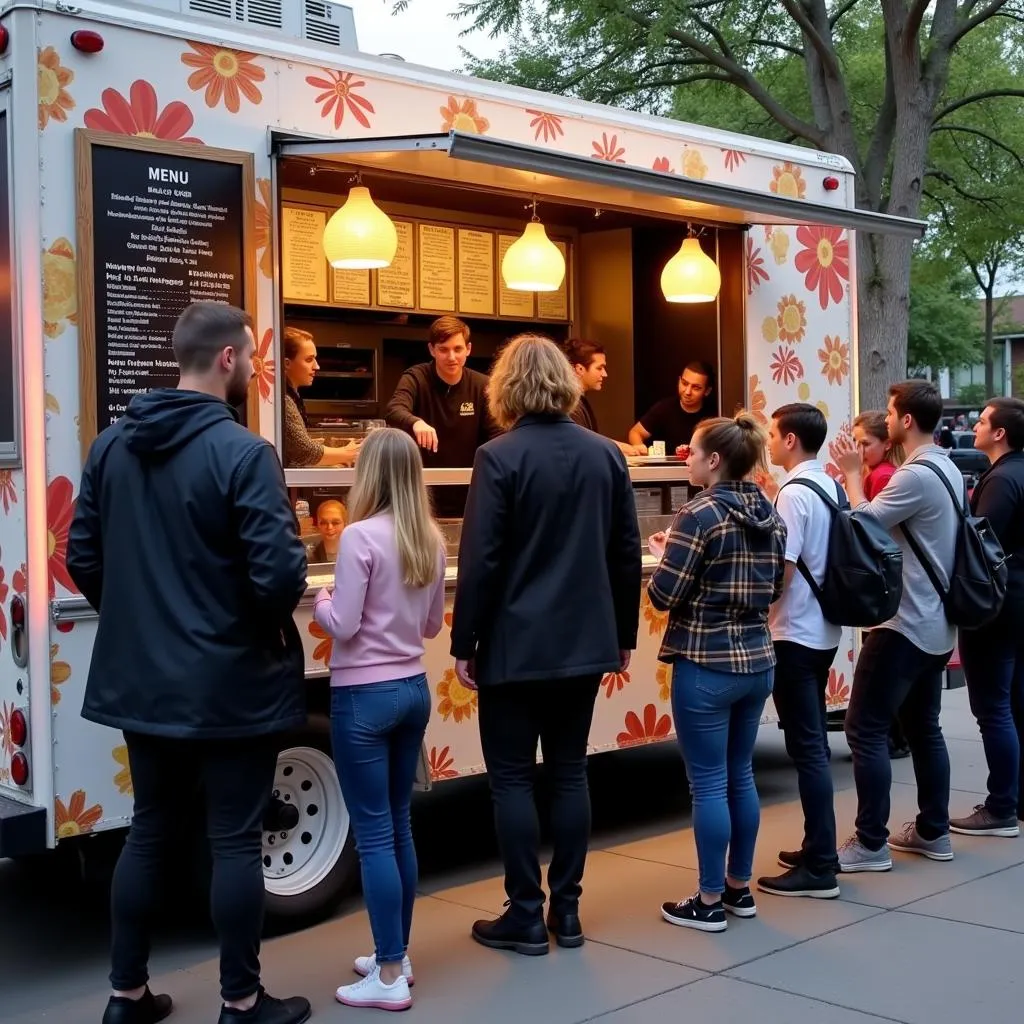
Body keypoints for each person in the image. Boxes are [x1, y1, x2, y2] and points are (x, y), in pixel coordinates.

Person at [67, 303, 311, 1024]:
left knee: (149, 830)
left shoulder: (110, 447)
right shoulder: (244, 453)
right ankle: (241, 1002)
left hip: (142, 681)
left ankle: (127, 996)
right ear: (230, 359)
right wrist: (245, 629)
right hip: (232, 682)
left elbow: (82, 557)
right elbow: (279, 577)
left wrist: (143, 620)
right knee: (234, 839)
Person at [450, 333, 641, 955]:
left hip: (513, 642)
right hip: (586, 642)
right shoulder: (605, 455)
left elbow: (481, 561)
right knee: (569, 773)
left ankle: (524, 914)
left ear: (504, 388)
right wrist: (622, 634)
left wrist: (465, 639)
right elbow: (625, 552)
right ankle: (569, 911)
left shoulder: (497, 457)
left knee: (510, 779)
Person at [313, 428, 446, 1011]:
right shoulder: (431, 540)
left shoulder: (359, 537)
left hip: (362, 697)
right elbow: (432, 627)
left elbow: (341, 623)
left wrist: (315, 602)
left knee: (371, 835)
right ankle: (397, 952)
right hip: (413, 689)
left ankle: (388, 974)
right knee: (397, 825)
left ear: (367, 475)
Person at [648, 412, 786, 931]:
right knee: (740, 775)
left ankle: (707, 901)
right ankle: (738, 889)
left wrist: (664, 557)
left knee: (707, 785)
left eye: (692, 450)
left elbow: (665, 595)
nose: (686, 457)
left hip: (704, 663)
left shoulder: (698, 515)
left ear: (714, 459)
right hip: (757, 660)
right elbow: (774, 588)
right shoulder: (770, 513)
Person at [836, 379, 959, 872]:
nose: (884, 420)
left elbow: (863, 524)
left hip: (903, 621)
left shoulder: (914, 476)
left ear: (907, 420)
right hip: (936, 620)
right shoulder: (947, 466)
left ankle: (870, 843)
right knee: (924, 727)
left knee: (864, 727)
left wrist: (849, 476)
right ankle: (934, 831)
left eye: (889, 413)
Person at [757, 404, 842, 899]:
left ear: (790, 440)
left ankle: (821, 863)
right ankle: (818, 847)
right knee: (810, 747)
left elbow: (782, 572)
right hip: (823, 629)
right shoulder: (827, 483)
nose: (768, 441)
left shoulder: (794, 494)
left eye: (772, 433)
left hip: (794, 631)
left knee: (807, 749)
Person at [950, 397, 1024, 836]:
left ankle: (1000, 807)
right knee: (1015, 702)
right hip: (1018, 601)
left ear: (999, 433)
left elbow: (981, 544)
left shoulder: (1000, 481)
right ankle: (1014, 798)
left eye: (981, 422)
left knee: (993, 706)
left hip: (997, 605)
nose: (975, 427)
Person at [384, 316, 502, 518]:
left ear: (468, 349)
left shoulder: (483, 385)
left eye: (457, 349)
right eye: (443, 349)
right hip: (420, 495)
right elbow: (394, 410)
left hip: (470, 492)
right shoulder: (416, 377)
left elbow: (498, 434)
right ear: (432, 350)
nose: (451, 357)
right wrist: (416, 422)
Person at [853, 410, 910, 760]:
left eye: (866, 443)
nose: (860, 450)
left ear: (886, 444)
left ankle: (893, 736)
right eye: (856, 442)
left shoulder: (881, 476)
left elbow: (869, 526)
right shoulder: (876, 473)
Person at [282, 326, 359, 468]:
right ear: (286, 363)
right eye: (309, 359)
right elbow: (304, 452)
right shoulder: (284, 401)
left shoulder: (290, 397)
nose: (316, 366)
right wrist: (349, 453)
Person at [562, 337, 646, 456]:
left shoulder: (579, 400)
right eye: (599, 368)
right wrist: (618, 447)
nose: (604, 374)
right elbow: (582, 444)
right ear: (580, 369)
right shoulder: (568, 405)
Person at [628, 360, 715, 455]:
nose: (687, 392)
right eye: (684, 383)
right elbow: (635, 432)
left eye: (696, 388)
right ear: (679, 381)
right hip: (664, 469)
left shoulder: (713, 416)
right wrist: (639, 447)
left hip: (698, 468)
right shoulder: (664, 408)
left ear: (707, 391)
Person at [309, 498, 346, 564]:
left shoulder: (356, 553)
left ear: (345, 524)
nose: (329, 527)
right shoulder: (308, 555)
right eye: (323, 522)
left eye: (335, 523)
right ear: (317, 525)